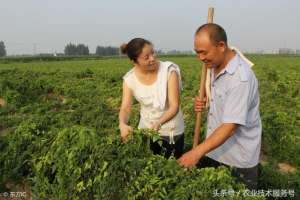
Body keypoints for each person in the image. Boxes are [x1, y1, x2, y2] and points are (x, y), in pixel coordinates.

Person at [177, 23, 262, 190]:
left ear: (221, 46)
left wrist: (195, 152)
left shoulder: (239, 78)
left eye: (204, 52)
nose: (200, 58)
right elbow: (223, 103)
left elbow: (230, 127)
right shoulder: (213, 66)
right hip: (214, 150)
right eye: (197, 52)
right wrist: (207, 102)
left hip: (238, 160)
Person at [119, 38, 185, 159]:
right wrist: (122, 124)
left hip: (170, 130)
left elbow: (174, 106)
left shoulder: (169, 71)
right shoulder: (129, 79)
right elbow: (125, 108)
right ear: (135, 62)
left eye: (153, 53)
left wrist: (159, 123)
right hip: (146, 131)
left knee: (170, 169)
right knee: (148, 166)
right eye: (146, 57)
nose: (152, 58)